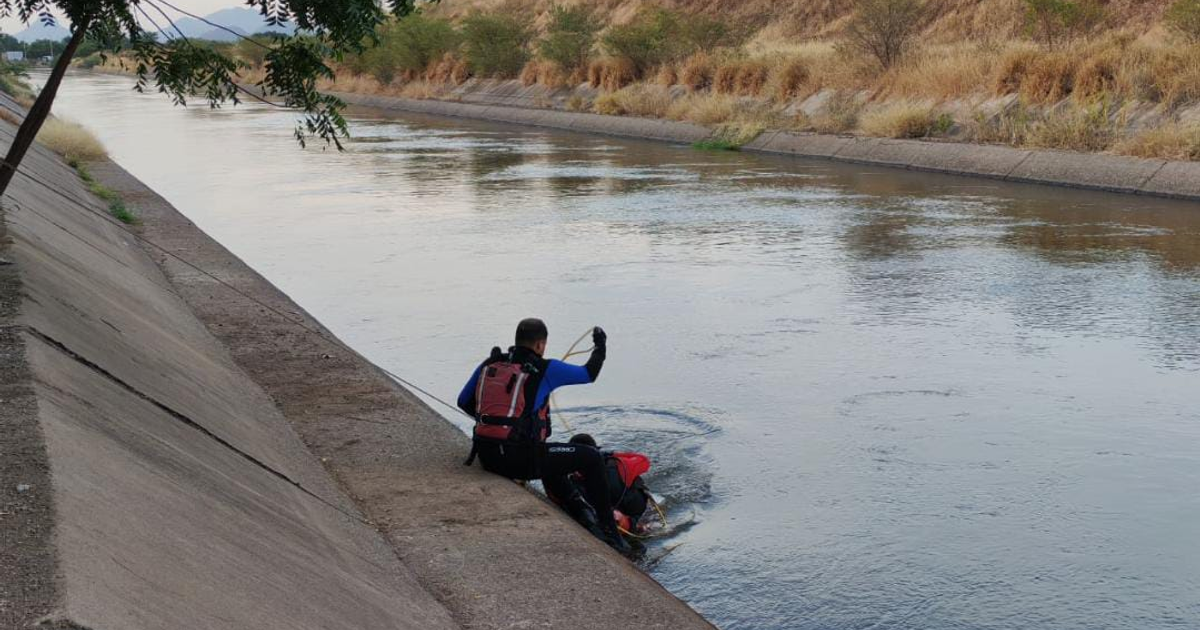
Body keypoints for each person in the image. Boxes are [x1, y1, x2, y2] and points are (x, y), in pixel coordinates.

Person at [458, 318, 630, 552]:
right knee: (590, 456)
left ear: (517, 340)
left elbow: (463, 402)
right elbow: (589, 373)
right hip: (518, 461)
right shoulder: (547, 368)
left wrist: (500, 427)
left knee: (552, 457)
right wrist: (601, 345)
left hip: (487, 456)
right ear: (540, 345)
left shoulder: (491, 363)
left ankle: (579, 511)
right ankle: (612, 534)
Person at [545, 433, 653, 537]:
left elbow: (644, 460)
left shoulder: (619, 466)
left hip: (638, 513)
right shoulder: (573, 480)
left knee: (641, 528)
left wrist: (612, 454)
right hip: (609, 513)